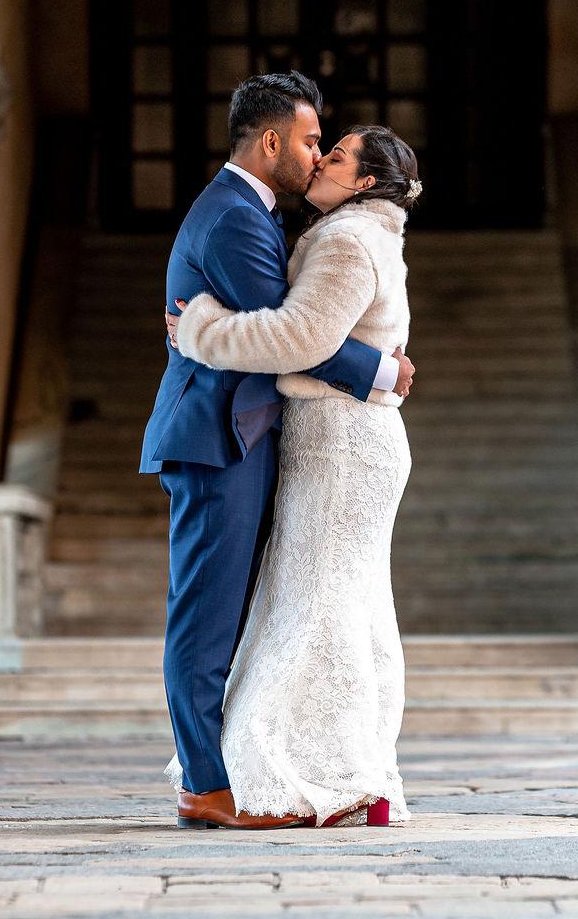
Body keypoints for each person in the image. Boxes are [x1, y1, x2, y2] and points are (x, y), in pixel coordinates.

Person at [140, 72, 417, 831]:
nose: (316, 152)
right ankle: (206, 782)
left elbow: (298, 331)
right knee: (207, 617)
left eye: (328, 147)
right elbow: (287, 332)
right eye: (308, 141)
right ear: (270, 143)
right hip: (217, 438)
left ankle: (265, 767)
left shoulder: (271, 218)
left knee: (253, 611)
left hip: (254, 436)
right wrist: (381, 371)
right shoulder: (234, 216)